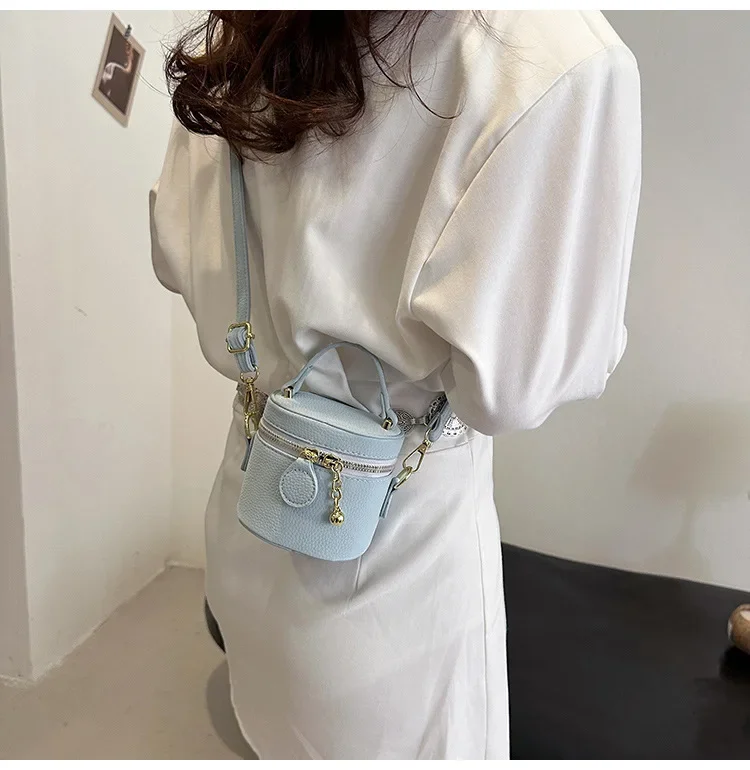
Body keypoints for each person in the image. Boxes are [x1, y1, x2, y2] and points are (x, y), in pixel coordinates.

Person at [149, 10, 641, 760]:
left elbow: (176, 254)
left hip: (244, 526)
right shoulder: (558, 55)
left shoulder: (243, 34)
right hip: (394, 595)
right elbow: (517, 385)